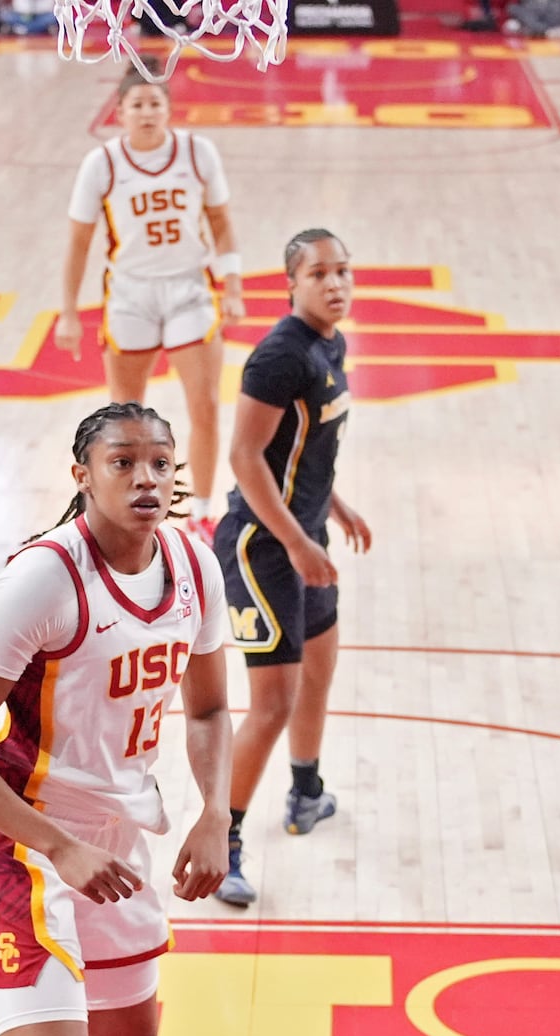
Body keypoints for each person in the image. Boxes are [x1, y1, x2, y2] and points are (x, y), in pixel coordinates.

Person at [0, 402, 232, 1036]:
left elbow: (208, 710)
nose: (147, 478)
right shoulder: (43, 578)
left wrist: (217, 811)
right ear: (83, 474)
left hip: (119, 845)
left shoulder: (194, 568)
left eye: (161, 463)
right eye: (124, 462)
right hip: (23, 843)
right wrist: (59, 846)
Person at [212, 229, 369, 909]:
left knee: (319, 670)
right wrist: (300, 544)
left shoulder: (329, 343)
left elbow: (300, 448)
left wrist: (333, 504)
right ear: (291, 283)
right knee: (271, 701)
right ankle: (222, 846)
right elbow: (246, 459)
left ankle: (307, 791)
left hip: (305, 535)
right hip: (260, 546)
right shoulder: (279, 356)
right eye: (319, 273)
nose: (335, 283)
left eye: (343, 270)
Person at [56, 66, 247, 546]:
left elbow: (221, 222)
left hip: (189, 289)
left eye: (154, 103)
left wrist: (234, 284)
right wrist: (68, 310)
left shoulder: (197, 152)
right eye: (136, 104)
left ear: (168, 109)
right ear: (118, 111)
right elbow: (78, 243)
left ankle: (203, 512)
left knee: (203, 407)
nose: (146, 112)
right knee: (124, 420)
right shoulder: (100, 164)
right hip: (130, 293)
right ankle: (122, 513)